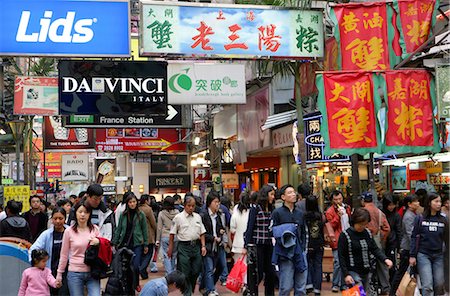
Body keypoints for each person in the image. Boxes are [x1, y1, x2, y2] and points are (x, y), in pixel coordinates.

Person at [338, 208, 393, 292]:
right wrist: (346, 274)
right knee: (360, 293)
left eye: (365, 224)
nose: (362, 227)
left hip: (366, 272)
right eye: (360, 224)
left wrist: (385, 259)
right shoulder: (345, 235)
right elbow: (341, 256)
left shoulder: (367, 233)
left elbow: (374, 249)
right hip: (352, 272)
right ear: (354, 222)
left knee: (364, 292)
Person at [57, 201, 102, 296]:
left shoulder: (95, 229)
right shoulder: (69, 231)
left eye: (86, 212)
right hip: (75, 272)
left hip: (93, 271)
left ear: (89, 214)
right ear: (75, 213)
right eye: (80, 212)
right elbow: (64, 254)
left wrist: (99, 242)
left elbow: (103, 249)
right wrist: (59, 273)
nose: (82, 215)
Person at [409, 192, 449, 296]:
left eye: (440, 201)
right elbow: (414, 237)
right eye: (436, 201)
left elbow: (447, 239)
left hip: (439, 255)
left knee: (439, 284)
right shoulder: (420, 218)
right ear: (429, 203)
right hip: (423, 255)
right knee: (427, 285)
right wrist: (412, 255)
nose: (439, 204)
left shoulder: (443, 220)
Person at [272, 184, 307, 296]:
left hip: (299, 253)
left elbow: (304, 232)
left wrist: (303, 248)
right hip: (285, 254)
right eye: (290, 193)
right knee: (286, 287)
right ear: (283, 197)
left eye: (294, 192)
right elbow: (272, 231)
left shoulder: (300, 213)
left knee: (301, 287)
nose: (293, 194)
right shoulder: (277, 213)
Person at [168, 196, 207, 296]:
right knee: (185, 271)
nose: (191, 208)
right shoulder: (178, 218)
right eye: (189, 206)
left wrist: (203, 246)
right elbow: (172, 234)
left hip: (196, 246)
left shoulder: (198, 217)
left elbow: (202, 232)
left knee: (196, 269)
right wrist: (170, 248)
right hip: (183, 247)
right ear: (184, 205)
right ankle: (187, 292)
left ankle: (191, 286)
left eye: (193, 206)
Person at [243, 184, 277, 296]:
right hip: (257, 245)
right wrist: (246, 245)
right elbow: (250, 227)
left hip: (269, 244)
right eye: (271, 194)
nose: (273, 197)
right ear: (265, 195)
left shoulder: (273, 209)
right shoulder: (256, 209)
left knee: (271, 272)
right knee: (258, 273)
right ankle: (251, 291)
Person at [112, 191, 149, 292]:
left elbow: (145, 230)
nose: (132, 204)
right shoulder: (123, 215)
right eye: (130, 202)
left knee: (136, 266)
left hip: (137, 244)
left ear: (136, 202)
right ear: (127, 203)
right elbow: (119, 229)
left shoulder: (140, 215)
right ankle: (128, 286)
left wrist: (146, 244)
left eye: (134, 202)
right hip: (125, 244)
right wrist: (115, 242)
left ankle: (136, 283)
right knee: (126, 267)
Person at [29, 207, 69, 296]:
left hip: (67, 272)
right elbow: (33, 249)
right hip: (50, 271)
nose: (58, 221)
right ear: (51, 220)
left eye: (61, 218)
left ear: (65, 219)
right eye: (55, 218)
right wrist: (36, 265)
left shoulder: (71, 232)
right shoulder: (46, 234)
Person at [361, 192, 391, 295]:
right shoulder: (379, 212)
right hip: (378, 242)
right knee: (382, 264)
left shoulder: (362, 212)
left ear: (363, 200)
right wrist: (381, 237)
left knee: (366, 265)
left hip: (364, 242)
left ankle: (367, 289)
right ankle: (385, 287)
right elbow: (387, 228)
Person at [390, 194, 420, 295]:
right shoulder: (409, 216)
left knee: (403, 272)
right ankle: (393, 292)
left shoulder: (412, 214)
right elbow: (411, 234)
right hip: (407, 248)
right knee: (402, 272)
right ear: (409, 204)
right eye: (415, 201)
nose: (418, 203)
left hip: (408, 248)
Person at [325, 190, 351, 292]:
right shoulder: (330, 211)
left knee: (345, 262)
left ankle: (344, 284)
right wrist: (338, 217)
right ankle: (335, 284)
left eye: (339, 199)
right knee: (337, 262)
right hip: (337, 239)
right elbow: (331, 226)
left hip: (347, 237)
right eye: (335, 200)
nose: (338, 201)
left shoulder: (347, 208)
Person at [200, 191, 225, 296]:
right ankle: (210, 290)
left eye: (218, 202)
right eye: (215, 202)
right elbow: (202, 233)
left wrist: (221, 232)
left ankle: (205, 286)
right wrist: (213, 238)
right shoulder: (204, 215)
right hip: (208, 245)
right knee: (209, 268)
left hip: (217, 246)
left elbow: (220, 227)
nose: (217, 204)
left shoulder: (218, 215)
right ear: (209, 203)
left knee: (221, 266)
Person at [305, 195, 325, 296]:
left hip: (308, 243)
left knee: (308, 264)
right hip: (319, 243)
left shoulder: (304, 216)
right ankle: (317, 288)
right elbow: (322, 230)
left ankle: (309, 284)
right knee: (318, 266)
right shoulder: (320, 215)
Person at [156, 196, 180, 275]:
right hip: (175, 236)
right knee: (174, 255)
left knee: (166, 256)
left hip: (165, 236)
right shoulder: (177, 213)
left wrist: (157, 239)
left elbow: (159, 227)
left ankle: (168, 273)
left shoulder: (161, 213)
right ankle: (173, 272)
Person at [381, 193, 402, 284]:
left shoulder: (396, 215)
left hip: (392, 242)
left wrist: (399, 245)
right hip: (383, 241)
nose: (391, 207)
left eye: (393, 204)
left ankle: (391, 282)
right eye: (389, 205)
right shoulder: (381, 213)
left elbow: (399, 231)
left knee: (392, 264)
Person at [138, 194, 157, 279]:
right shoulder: (148, 209)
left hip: (139, 235)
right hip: (148, 235)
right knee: (149, 254)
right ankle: (142, 269)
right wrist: (156, 231)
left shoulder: (137, 208)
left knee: (142, 254)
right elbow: (153, 223)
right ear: (146, 200)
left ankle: (143, 271)